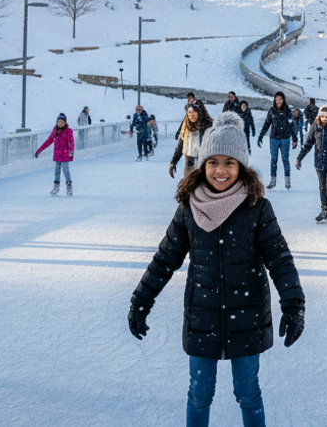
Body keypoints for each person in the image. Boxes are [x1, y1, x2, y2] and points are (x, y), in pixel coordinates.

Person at [127, 113, 304, 427]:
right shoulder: (188, 208)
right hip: (203, 316)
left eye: (229, 163)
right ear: (202, 164)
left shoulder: (257, 207)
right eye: (213, 162)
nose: (221, 171)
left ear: (242, 167)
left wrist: (293, 306)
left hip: (247, 316)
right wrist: (141, 300)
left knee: (248, 394)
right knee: (199, 394)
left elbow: (279, 260)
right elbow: (165, 259)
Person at [258, 91, 297, 190]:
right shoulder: (272, 111)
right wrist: (261, 136)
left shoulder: (287, 111)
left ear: (283, 100)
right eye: (277, 99)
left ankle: (287, 181)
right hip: (274, 138)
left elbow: (291, 125)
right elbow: (267, 124)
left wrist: (295, 138)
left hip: (285, 138)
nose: (278, 101)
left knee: (285, 159)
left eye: (280, 99)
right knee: (273, 159)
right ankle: (273, 180)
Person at [35, 113, 76, 196]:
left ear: (65, 122)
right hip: (58, 154)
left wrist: (71, 150)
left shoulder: (68, 131)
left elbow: (71, 141)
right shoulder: (55, 130)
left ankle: (69, 186)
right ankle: (56, 186)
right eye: (59, 122)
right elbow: (49, 141)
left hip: (65, 154)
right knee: (57, 171)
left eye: (62, 122)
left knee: (65, 170)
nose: (60, 123)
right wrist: (39, 150)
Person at [170, 103, 213, 179]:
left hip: (204, 163)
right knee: (189, 186)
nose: (191, 114)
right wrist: (173, 162)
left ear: (198, 113)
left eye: (194, 112)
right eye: (189, 112)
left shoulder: (206, 128)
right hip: (189, 163)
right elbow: (180, 147)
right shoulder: (185, 129)